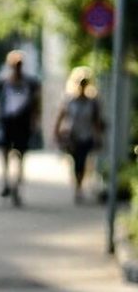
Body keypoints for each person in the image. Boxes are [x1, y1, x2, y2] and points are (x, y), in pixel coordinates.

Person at [0, 50, 40, 206]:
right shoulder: (3, 83)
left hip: (22, 122)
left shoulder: (29, 84)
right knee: (4, 150)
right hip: (7, 121)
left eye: (19, 65)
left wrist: (34, 120)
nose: (17, 68)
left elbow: (36, 103)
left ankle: (16, 182)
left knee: (20, 153)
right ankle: (6, 180)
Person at [53, 67, 104, 203]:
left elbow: (96, 121)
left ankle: (80, 186)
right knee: (76, 161)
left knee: (83, 160)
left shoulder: (93, 102)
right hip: (73, 136)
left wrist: (98, 137)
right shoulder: (70, 100)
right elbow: (61, 117)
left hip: (86, 135)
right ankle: (77, 186)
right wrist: (56, 132)